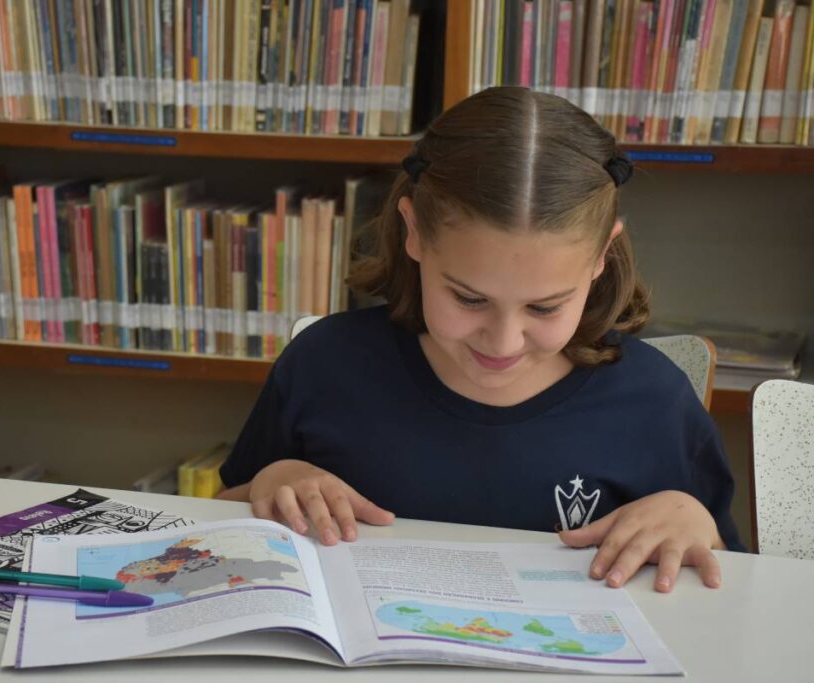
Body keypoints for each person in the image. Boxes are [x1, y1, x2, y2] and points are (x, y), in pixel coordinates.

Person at [217, 87, 743, 593]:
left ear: (603, 255)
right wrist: (274, 480)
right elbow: (221, 518)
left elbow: (726, 573)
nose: (504, 341)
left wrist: (691, 519)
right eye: (469, 299)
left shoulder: (654, 400)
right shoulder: (323, 365)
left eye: (544, 306)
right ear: (414, 232)